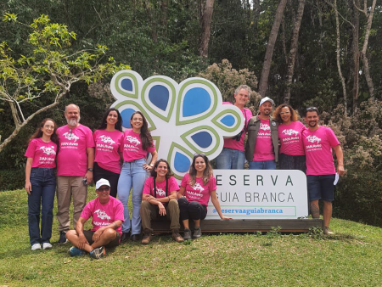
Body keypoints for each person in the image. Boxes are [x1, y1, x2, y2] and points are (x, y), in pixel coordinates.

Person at [56, 104, 95, 243]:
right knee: (62, 204)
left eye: (75, 113)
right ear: (65, 114)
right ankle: (63, 231)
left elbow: (90, 151)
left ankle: (77, 231)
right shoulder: (58, 131)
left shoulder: (86, 130)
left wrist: (90, 170)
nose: (73, 115)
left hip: (80, 174)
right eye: (70, 113)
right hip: (61, 174)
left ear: (79, 114)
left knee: (80, 205)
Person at [303, 107, 345, 235]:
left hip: (328, 172)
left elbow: (337, 148)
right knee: (313, 200)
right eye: (309, 117)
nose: (312, 119)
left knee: (327, 200)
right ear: (305, 119)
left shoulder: (327, 131)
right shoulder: (303, 133)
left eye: (314, 116)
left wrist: (341, 165)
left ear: (318, 117)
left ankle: (325, 228)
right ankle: (316, 226)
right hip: (311, 173)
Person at [118, 111, 158, 242]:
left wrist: (151, 165)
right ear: (130, 121)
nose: (137, 121)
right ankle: (125, 229)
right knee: (122, 198)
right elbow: (119, 150)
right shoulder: (125, 134)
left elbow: (154, 154)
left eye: (140, 119)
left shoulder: (146, 136)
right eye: (135, 119)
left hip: (139, 167)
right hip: (125, 167)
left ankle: (135, 231)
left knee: (136, 199)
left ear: (143, 122)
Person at [66, 178, 124, 259]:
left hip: (111, 236)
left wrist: (101, 229)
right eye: (101, 189)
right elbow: (80, 221)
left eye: (106, 189)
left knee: (109, 232)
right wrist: (81, 235)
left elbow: (118, 222)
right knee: (69, 233)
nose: (104, 191)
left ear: (110, 189)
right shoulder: (91, 204)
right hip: (95, 234)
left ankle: (87, 248)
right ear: (96, 191)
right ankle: (93, 250)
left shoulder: (117, 203)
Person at [178, 154, 232, 240]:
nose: (199, 164)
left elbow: (214, 198)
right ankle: (186, 230)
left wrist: (221, 215)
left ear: (206, 164)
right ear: (194, 165)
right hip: (186, 207)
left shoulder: (210, 179)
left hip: (200, 209)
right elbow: (179, 194)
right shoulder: (187, 176)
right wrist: (182, 198)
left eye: (202, 162)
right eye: (197, 162)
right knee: (181, 201)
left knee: (194, 204)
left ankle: (197, 228)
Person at [24, 118, 58, 250]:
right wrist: (27, 181)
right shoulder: (34, 142)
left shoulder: (55, 144)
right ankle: (35, 241)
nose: (50, 129)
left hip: (50, 178)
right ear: (42, 128)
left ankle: (45, 239)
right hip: (35, 176)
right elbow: (29, 162)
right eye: (47, 126)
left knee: (48, 210)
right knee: (33, 211)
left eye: (52, 127)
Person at [140, 159, 184, 244]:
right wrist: (158, 203)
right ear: (155, 169)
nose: (162, 169)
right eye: (160, 167)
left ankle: (175, 232)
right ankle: (147, 233)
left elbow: (174, 196)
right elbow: (144, 197)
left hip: (167, 211)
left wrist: (156, 199)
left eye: (165, 167)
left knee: (173, 202)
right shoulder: (150, 180)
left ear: (167, 170)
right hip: (154, 211)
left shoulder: (171, 179)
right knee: (144, 203)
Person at [215, 85, 253, 169]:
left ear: (248, 99)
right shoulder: (225, 106)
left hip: (240, 150)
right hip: (224, 149)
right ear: (235, 95)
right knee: (224, 178)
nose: (243, 97)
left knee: (237, 179)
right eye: (241, 95)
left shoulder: (248, 112)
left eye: (246, 96)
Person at [93, 108, 124, 198]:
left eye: (115, 116)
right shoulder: (97, 133)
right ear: (106, 118)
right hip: (98, 169)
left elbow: (122, 154)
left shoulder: (121, 135)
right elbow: (92, 151)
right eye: (110, 115)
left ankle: (111, 212)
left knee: (111, 196)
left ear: (117, 120)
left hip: (114, 170)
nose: (112, 117)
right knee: (101, 195)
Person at [245, 97, 279, 169]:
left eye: (269, 105)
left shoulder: (275, 122)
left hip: (271, 160)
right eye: (265, 105)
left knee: (270, 180)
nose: (267, 107)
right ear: (260, 108)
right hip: (254, 160)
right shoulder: (252, 120)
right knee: (254, 180)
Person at [273, 104, 306, 172]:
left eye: (287, 112)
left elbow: (308, 135)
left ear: (291, 113)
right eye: (282, 113)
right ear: (279, 115)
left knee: (301, 180)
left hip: (301, 157)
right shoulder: (278, 127)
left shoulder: (299, 124)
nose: (285, 114)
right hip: (285, 158)